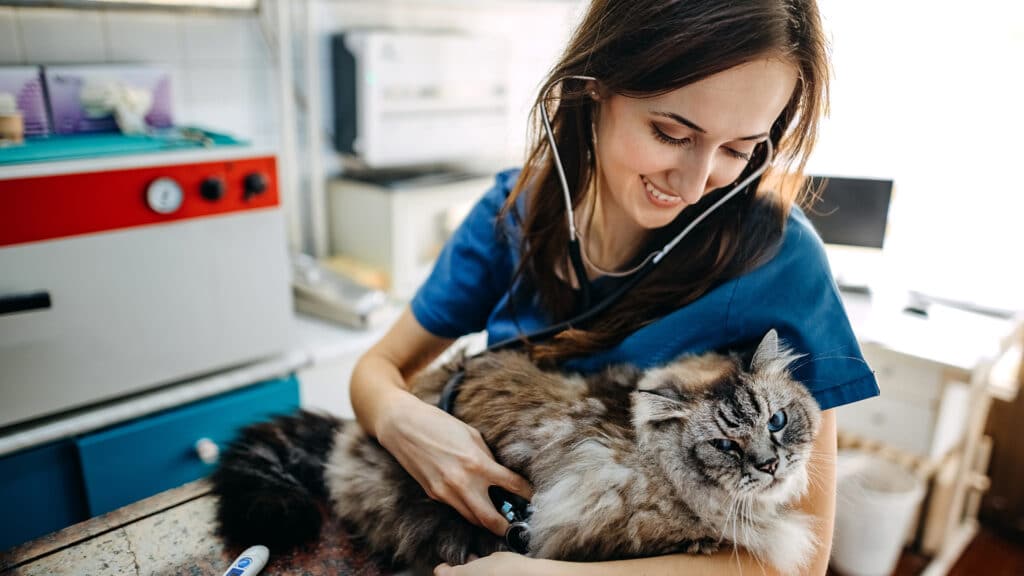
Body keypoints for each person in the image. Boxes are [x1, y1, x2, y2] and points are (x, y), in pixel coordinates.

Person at [350, 0, 879, 574]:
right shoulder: (517, 212)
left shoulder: (783, 263)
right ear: (595, 86)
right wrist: (402, 422)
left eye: (737, 149)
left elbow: (798, 563)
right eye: (670, 132)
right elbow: (379, 369)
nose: (695, 183)